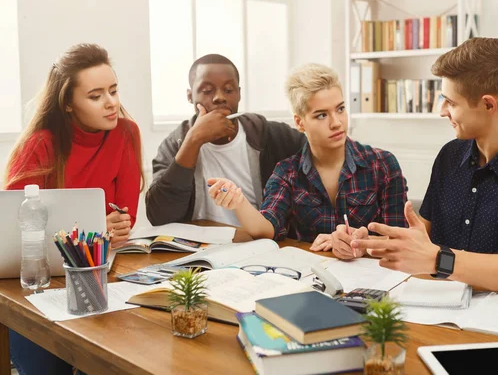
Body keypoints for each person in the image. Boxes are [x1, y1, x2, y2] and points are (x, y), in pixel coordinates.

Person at [340, 38, 498, 299]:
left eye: (450, 102)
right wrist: (368, 245)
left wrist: (442, 260)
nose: (442, 111)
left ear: (488, 105)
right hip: (445, 313)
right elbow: (423, 246)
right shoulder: (449, 157)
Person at [5, 43, 144, 374]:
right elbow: (12, 226)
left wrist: (117, 227)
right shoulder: (41, 143)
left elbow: (126, 217)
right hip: (40, 281)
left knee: (105, 360)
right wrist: (96, 227)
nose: (111, 103)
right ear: (68, 103)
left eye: (113, 91)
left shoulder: (127, 133)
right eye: (95, 96)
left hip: (97, 272)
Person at [208, 63, 408, 251]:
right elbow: (267, 229)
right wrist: (239, 202)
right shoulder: (287, 172)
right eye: (321, 115)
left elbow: (401, 239)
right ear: (300, 123)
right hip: (313, 275)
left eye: (340, 109)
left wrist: (359, 243)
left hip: (376, 279)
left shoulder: (382, 164)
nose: (336, 122)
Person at [145, 54, 306, 227]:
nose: (219, 97)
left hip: (260, 243)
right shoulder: (174, 144)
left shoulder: (271, 135)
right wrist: (193, 140)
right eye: (207, 91)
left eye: (229, 90)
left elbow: (322, 152)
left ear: (239, 94)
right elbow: (159, 216)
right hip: (201, 248)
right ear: (190, 96)